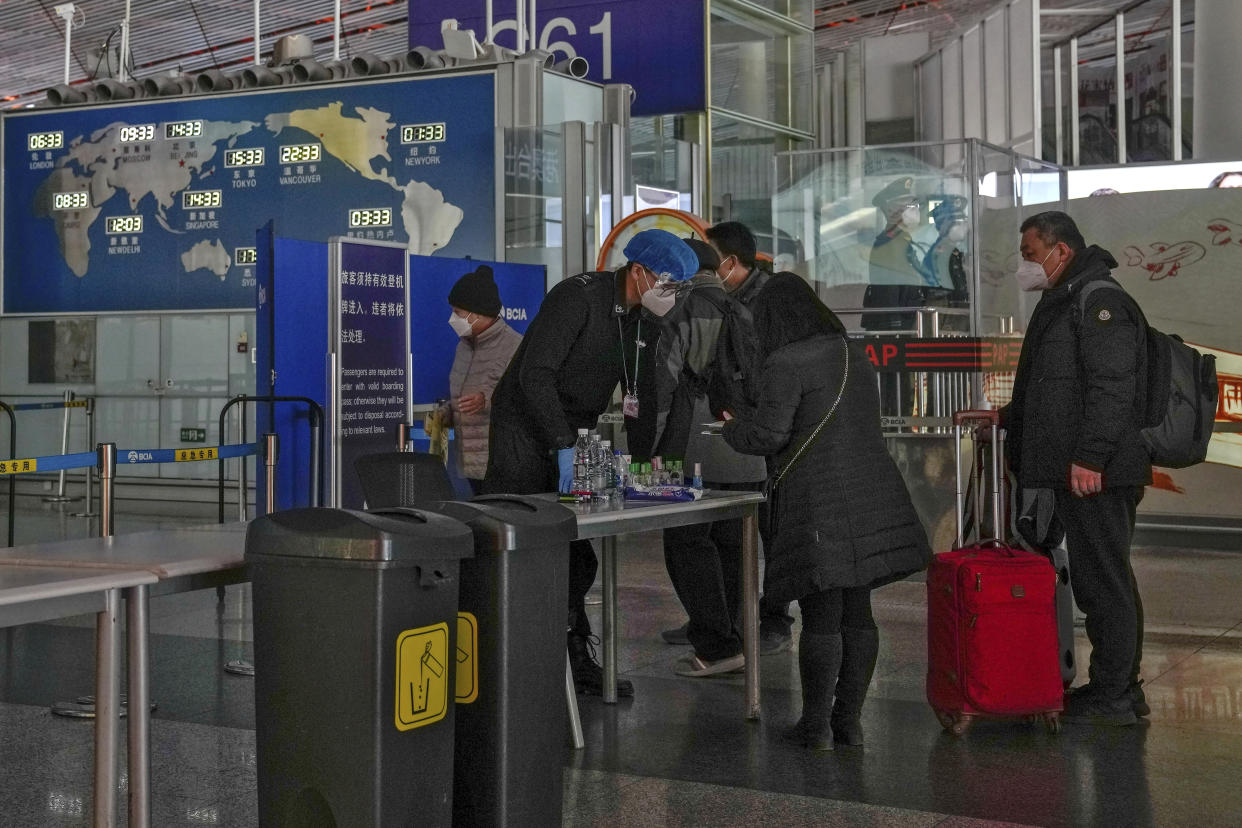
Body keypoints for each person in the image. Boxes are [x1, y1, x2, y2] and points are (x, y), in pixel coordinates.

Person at [483, 228, 698, 697]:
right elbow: (534, 375)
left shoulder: (643, 321)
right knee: (530, 545)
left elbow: (640, 395)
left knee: (576, 553)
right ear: (637, 271)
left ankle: (573, 656)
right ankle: (519, 659)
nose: (671, 294)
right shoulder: (577, 298)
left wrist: (647, 465)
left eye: (678, 287)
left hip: (575, 432)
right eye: (667, 282)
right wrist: (562, 444)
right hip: (525, 428)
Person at [721, 273, 931, 750]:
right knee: (858, 611)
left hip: (820, 500)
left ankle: (813, 725)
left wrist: (732, 430)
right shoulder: (853, 353)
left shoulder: (787, 361)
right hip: (874, 491)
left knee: (821, 611)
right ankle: (848, 722)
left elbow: (770, 436)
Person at [1003, 210, 1151, 726]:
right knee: (1107, 578)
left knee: (1102, 581)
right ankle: (1123, 689)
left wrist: (1090, 457)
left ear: (1060, 251)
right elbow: (1053, 389)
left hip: (1097, 471)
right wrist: (1005, 420)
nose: (1025, 266)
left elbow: (1113, 389)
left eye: (1029, 254)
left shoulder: (1098, 301)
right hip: (1086, 466)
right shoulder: (1066, 299)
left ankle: (1112, 695)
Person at [647, 238, 768, 676]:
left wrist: (650, 447)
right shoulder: (745, 307)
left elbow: (663, 384)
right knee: (735, 548)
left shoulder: (681, 309)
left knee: (686, 544)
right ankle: (737, 639)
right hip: (745, 448)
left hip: (692, 444)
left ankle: (716, 646)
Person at [437, 265, 522, 494]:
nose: (452, 319)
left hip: (504, 464)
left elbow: (526, 402)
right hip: (471, 466)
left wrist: (486, 401)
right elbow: (461, 397)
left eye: (458, 313)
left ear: (476, 313)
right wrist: (448, 413)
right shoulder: (463, 347)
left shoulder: (515, 347)